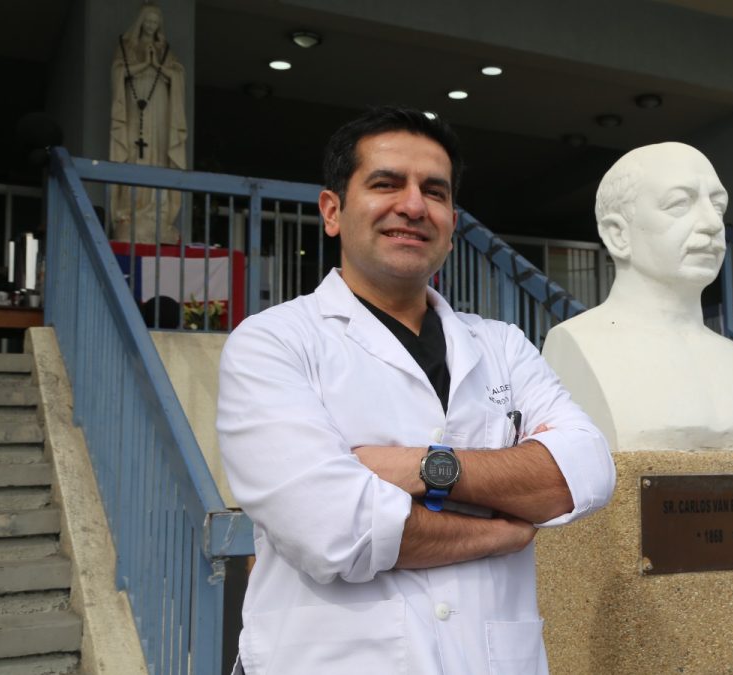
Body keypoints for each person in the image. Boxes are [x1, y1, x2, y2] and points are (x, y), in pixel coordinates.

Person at [216, 106, 615, 674]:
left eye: (434, 191)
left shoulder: (502, 345)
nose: (412, 206)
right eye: (385, 184)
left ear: (452, 222)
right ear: (333, 211)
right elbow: (336, 531)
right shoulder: (273, 344)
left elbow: (587, 471)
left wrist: (421, 468)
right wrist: (502, 531)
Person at [542, 142, 733, 451]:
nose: (712, 224)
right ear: (618, 234)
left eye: (718, 206)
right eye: (680, 203)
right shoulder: (575, 345)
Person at [109, 2, 187, 243]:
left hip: (160, 104)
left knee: (159, 154)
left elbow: (177, 76)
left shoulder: (166, 50)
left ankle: (158, 212)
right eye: (148, 21)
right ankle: (129, 211)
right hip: (136, 101)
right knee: (134, 149)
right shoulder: (127, 46)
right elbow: (118, 72)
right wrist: (146, 64)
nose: (152, 26)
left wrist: (159, 66)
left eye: (156, 22)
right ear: (141, 22)